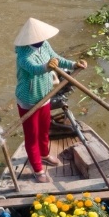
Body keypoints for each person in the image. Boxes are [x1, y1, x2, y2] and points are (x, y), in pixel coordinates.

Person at [12, 18, 84, 178]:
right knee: (32, 136)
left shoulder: (44, 45)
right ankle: (37, 168)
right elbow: (34, 69)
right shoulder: (22, 55)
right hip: (28, 100)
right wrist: (47, 66)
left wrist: (74, 65)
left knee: (44, 130)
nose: (42, 40)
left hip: (46, 95)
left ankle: (44, 154)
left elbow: (56, 58)